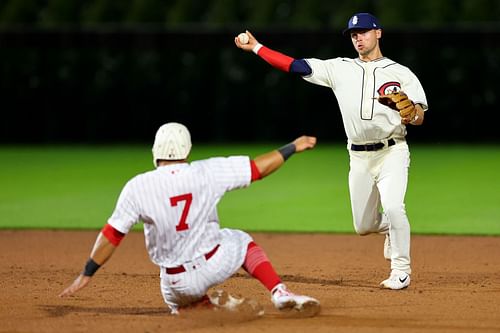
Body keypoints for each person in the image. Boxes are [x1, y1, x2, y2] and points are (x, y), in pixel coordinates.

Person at [235, 12, 428, 290]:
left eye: (363, 32)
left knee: (396, 207)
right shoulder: (340, 68)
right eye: (353, 34)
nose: (358, 38)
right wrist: (256, 47)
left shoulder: (401, 73)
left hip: (393, 151)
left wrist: (410, 113)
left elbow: (420, 114)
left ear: (378, 33)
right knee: (363, 225)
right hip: (358, 156)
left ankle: (401, 270)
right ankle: (390, 230)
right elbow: (294, 66)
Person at [59, 122, 320, 315]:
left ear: (155, 151)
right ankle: (278, 291)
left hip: (174, 282)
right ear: (187, 149)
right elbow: (257, 169)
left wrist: (87, 273)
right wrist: (293, 147)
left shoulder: (137, 186)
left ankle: (207, 307)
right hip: (214, 263)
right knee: (241, 241)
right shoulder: (207, 171)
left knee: (186, 309)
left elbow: (112, 234)